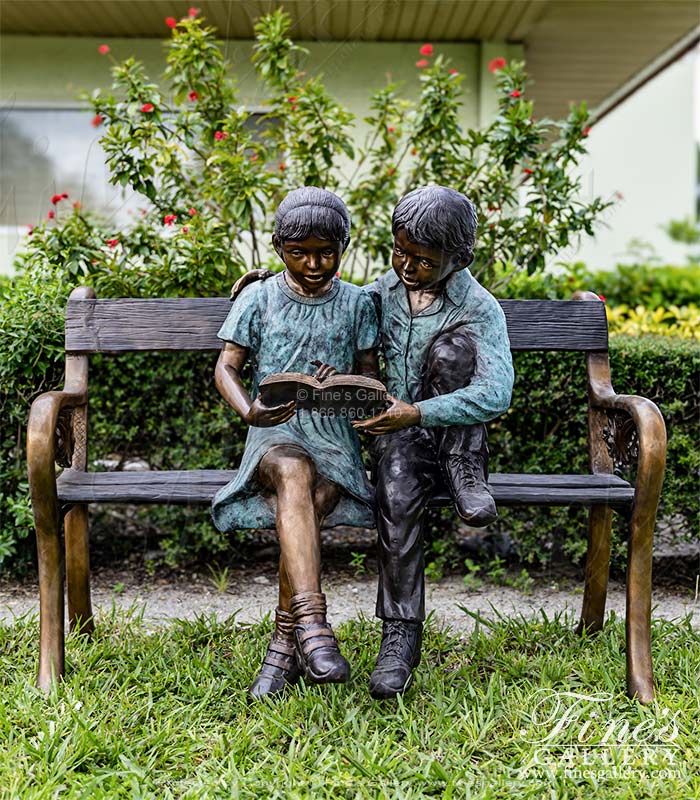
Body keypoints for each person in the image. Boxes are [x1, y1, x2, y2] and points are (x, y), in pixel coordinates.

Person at [212, 187, 379, 699]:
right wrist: (250, 409)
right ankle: (314, 624)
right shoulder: (258, 298)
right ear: (278, 247)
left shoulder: (357, 302)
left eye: (326, 252)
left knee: (307, 502)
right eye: (299, 252)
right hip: (275, 431)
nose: (313, 263)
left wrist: (346, 380)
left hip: (333, 437)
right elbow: (226, 368)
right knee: (292, 475)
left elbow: (371, 377)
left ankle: (284, 644)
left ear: (344, 247)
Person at [354, 185, 514, 700]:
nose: (407, 266)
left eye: (423, 260)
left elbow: (496, 392)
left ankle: (464, 467)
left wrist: (420, 411)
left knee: (452, 352)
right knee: (395, 495)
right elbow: (331, 307)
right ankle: (400, 635)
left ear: (457, 258)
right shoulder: (381, 292)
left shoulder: (479, 306)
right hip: (398, 435)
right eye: (399, 251)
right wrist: (274, 285)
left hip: (446, 430)